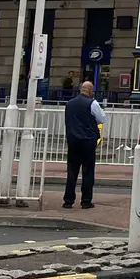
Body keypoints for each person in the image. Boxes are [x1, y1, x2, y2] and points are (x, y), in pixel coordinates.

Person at [62, 79, 105, 210]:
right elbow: (102, 119)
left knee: (72, 172)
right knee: (88, 172)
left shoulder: (69, 104)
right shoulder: (93, 103)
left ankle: (68, 201)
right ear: (90, 91)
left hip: (73, 141)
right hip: (88, 141)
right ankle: (86, 201)